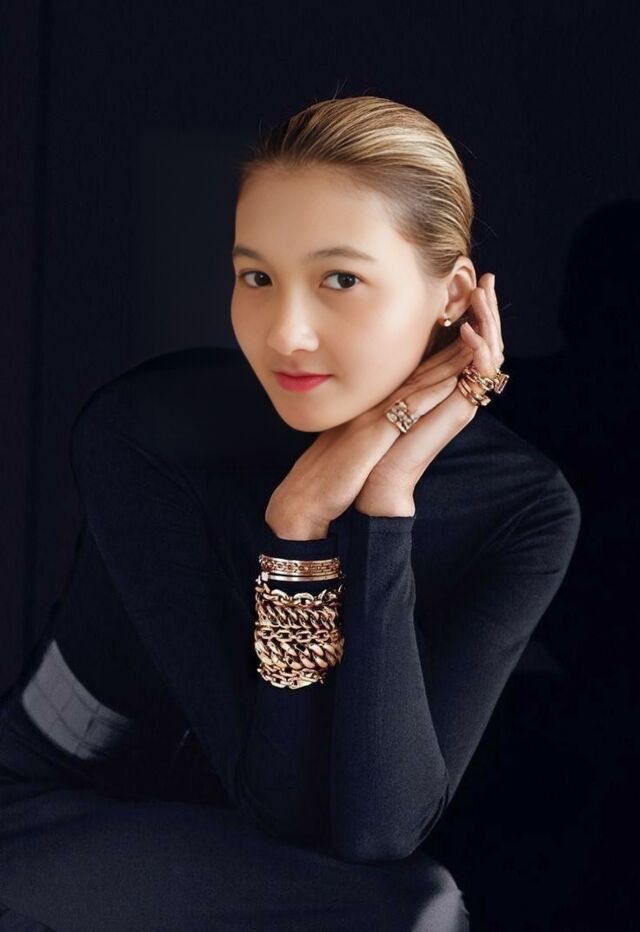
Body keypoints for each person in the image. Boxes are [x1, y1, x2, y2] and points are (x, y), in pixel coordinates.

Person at [0, 95, 580, 931]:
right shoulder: (147, 435)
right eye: (257, 278)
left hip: (260, 852)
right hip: (51, 804)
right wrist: (298, 519)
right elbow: (275, 803)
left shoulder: (525, 509)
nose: (285, 334)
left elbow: (381, 827)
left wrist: (384, 502)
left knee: (413, 905)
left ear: (453, 295)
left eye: (341, 279)